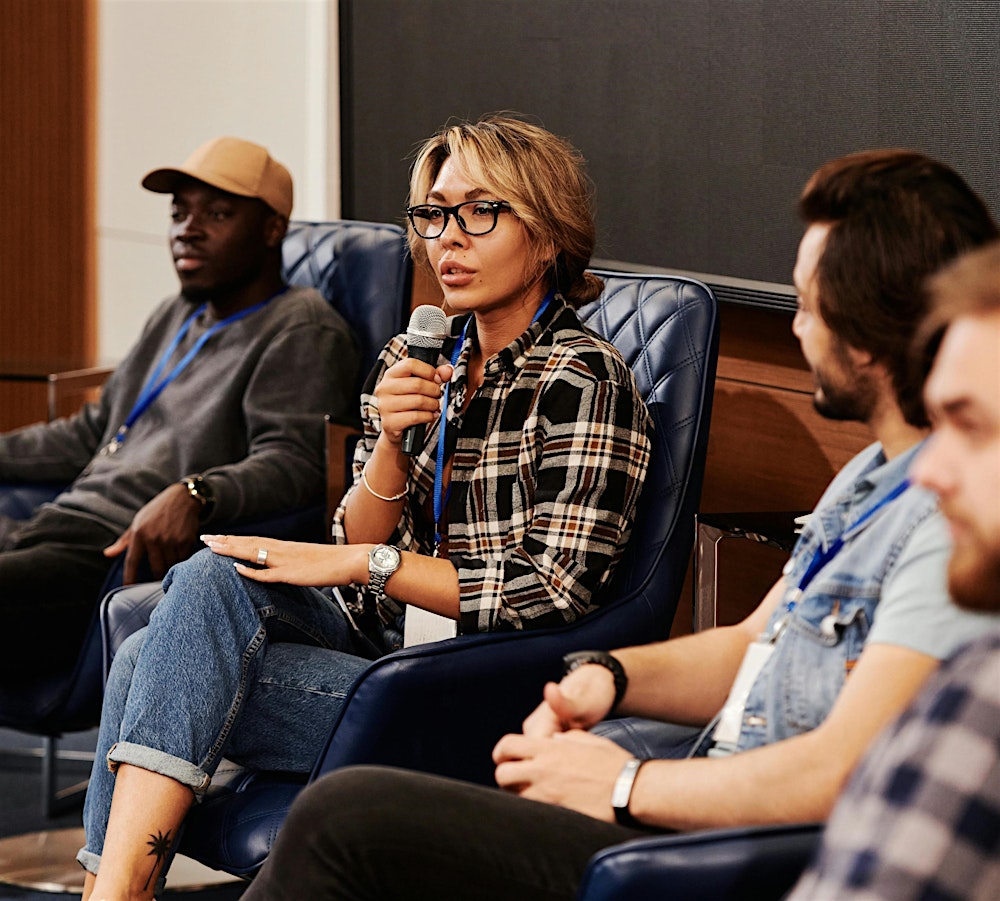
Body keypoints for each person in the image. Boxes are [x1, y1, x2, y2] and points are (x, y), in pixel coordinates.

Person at [238, 149, 1000, 901]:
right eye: (436, 215)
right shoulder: (863, 480)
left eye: (805, 305)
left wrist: (627, 783)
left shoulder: (944, 529)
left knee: (347, 815)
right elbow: (747, 646)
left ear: (866, 331)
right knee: (215, 628)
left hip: (710, 839)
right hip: (683, 781)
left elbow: (836, 772)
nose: (797, 331)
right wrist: (610, 675)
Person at [76, 114, 652, 900]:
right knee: (209, 579)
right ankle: (117, 892)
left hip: (472, 684)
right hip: (376, 643)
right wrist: (390, 440)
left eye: (480, 212)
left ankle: (108, 894)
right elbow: (359, 525)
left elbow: (551, 590)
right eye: (434, 214)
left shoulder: (582, 377)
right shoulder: (419, 354)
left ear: (547, 235)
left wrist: (366, 563)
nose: (447, 239)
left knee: (150, 661)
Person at [0, 136, 358, 680]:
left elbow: (295, 463)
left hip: (110, 553)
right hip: (53, 523)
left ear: (270, 229)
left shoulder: (300, 327)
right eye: (178, 212)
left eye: (216, 214)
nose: (187, 229)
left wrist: (198, 493)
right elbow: (92, 433)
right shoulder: (177, 313)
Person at [789, 240, 1000, 900]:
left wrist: (626, 784)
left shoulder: (982, 699)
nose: (931, 470)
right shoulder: (864, 473)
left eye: (970, 428)